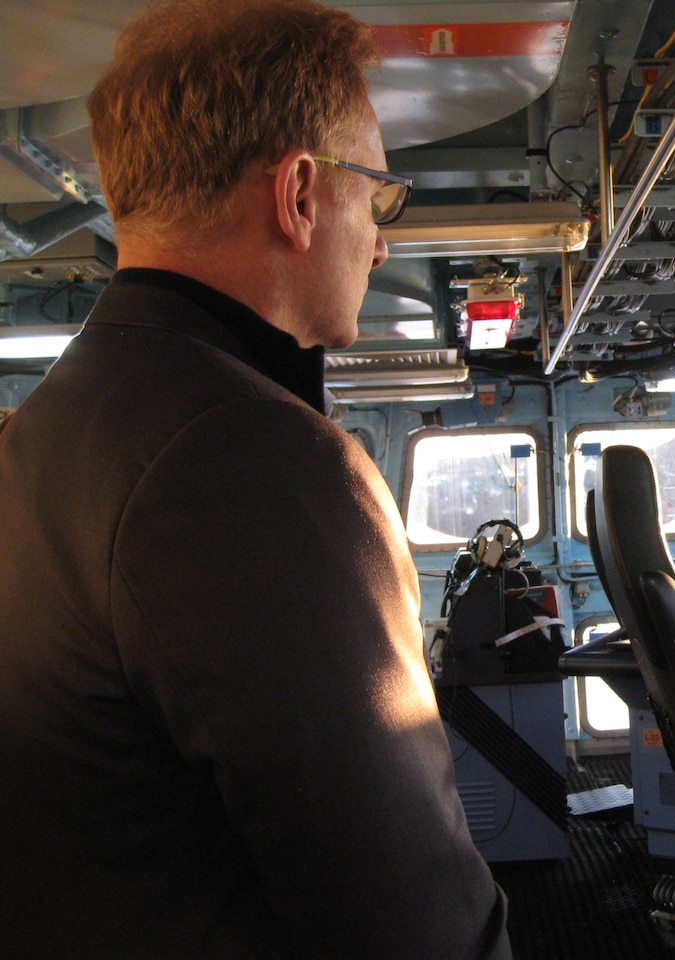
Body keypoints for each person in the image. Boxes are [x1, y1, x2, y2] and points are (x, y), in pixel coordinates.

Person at [0, 2, 511, 958]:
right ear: (302, 196)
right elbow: (411, 918)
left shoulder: (48, 430)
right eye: (379, 195)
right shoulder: (253, 458)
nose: (384, 240)